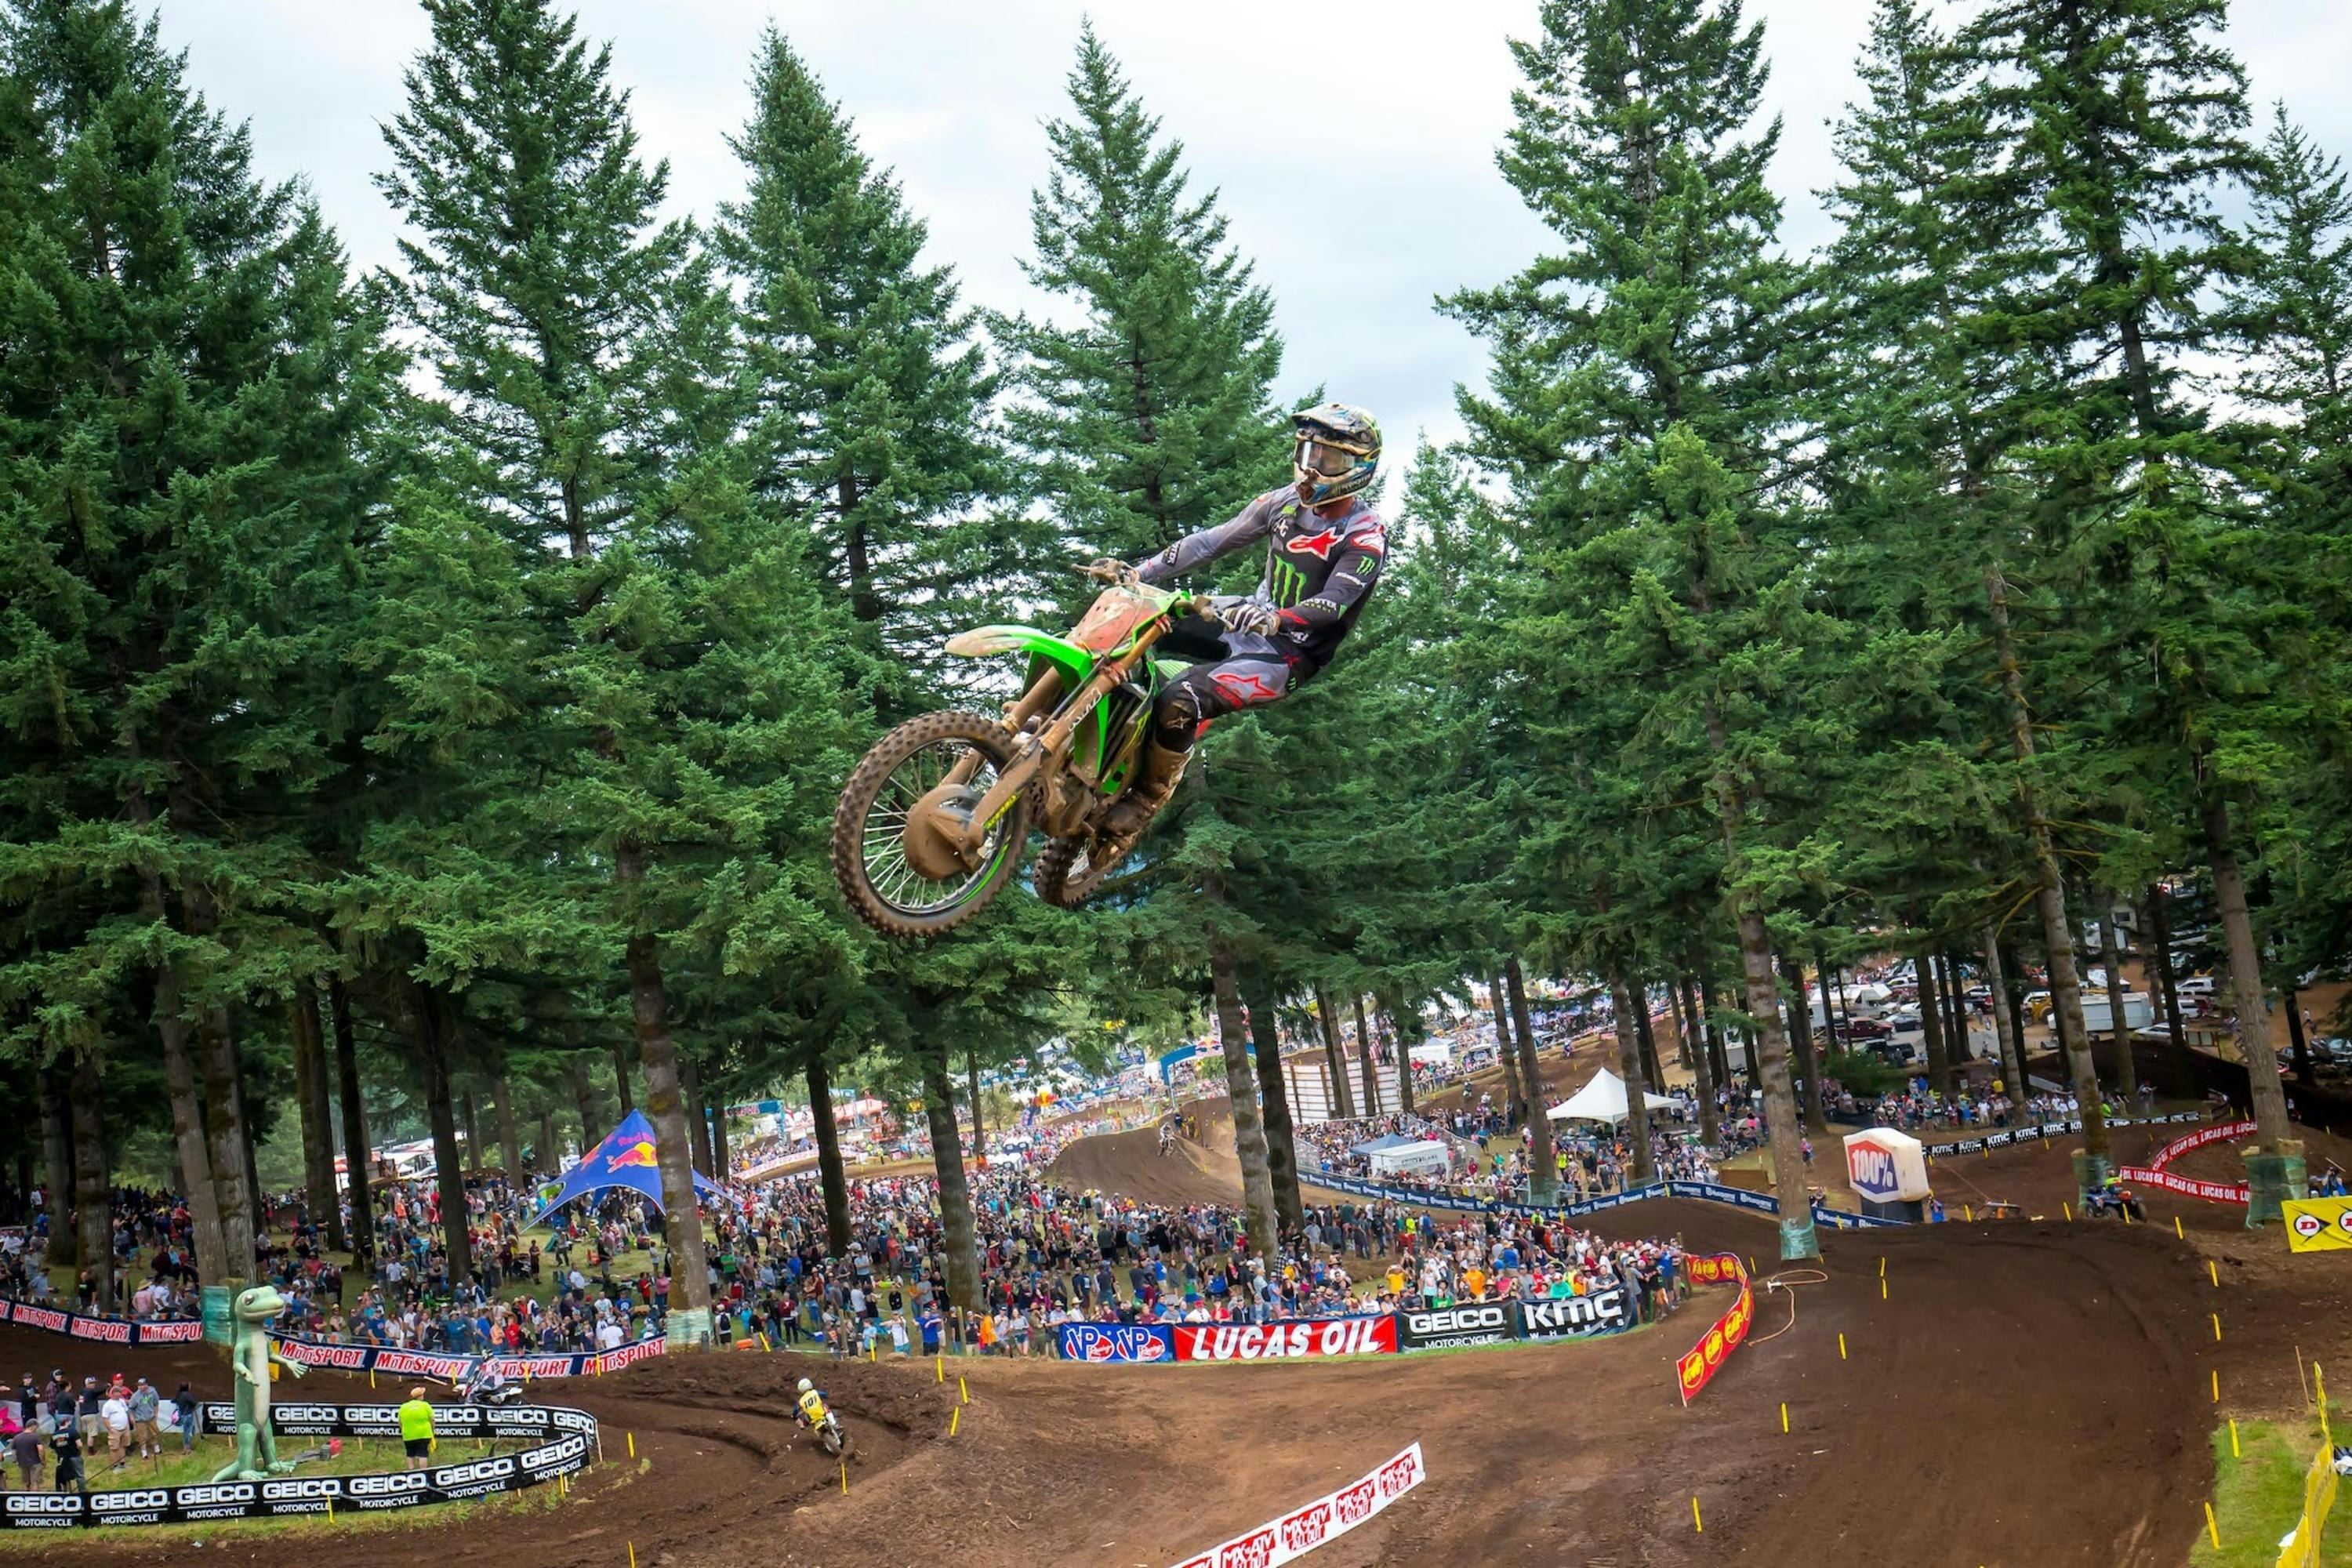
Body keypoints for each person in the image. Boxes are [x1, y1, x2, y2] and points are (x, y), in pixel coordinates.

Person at [1090, 403, 1387, 844]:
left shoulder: (1365, 535)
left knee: (1181, 699)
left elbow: (1333, 604)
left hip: (1289, 654)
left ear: (1358, 467)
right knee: (1139, 614)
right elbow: (1210, 543)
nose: (1312, 468)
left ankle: (1149, 796)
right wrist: (1140, 573)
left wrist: (1277, 618)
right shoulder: (1284, 502)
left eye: (1327, 458)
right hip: (1245, 617)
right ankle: (1089, 728)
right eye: (1308, 452)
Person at [397, 1385, 436, 1472]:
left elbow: (399, 1422)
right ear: (420, 1396)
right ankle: (423, 1472)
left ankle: (411, 1471)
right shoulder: (425, 1405)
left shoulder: (403, 1407)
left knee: (410, 1453)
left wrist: (404, 1430)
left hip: (408, 1435)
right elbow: (432, 1419)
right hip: (424, 1434)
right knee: (423, 1454)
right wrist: (432, 1430)